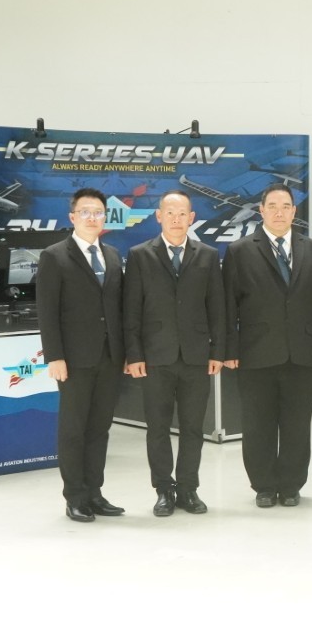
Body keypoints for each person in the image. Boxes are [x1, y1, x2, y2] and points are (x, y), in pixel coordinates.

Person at [123, 190, 226, 518]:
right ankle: (164, 490)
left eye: (183, 214)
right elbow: (131, 310)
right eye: (170, 213)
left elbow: (217, 308)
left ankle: (188, 488)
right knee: (158, 428)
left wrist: (217, 351)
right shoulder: (140, 255)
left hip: (197, 357)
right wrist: (134, 355)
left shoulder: (208, 255)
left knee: (194, 428)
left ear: (192, 218)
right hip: (155, 358)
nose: (176, 219)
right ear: (159, 216)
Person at [223, 183, 312, 508]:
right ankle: (264, 485)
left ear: (294, 211)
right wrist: (228, 350)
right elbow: (228, 305)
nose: (279, 212)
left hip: (302, 353)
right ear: (262, 210)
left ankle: (292, 485)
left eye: (286, 206)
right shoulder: (240, 251)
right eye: (273, 206)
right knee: (258, 424)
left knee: (297, 424)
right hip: (255, 353)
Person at [37, 187, 126, 523]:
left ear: (105, 218)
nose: (92, 218)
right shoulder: (54, 256)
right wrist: (54, 356)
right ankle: (75, 497)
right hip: (73, 359)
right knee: (73, 430)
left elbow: (118, 308)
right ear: (72, 217)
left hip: (110, 357)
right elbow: (47, 311)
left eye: (98, 212)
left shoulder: (113, 255)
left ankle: (95, 493)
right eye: (85, 212)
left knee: (99, 429)